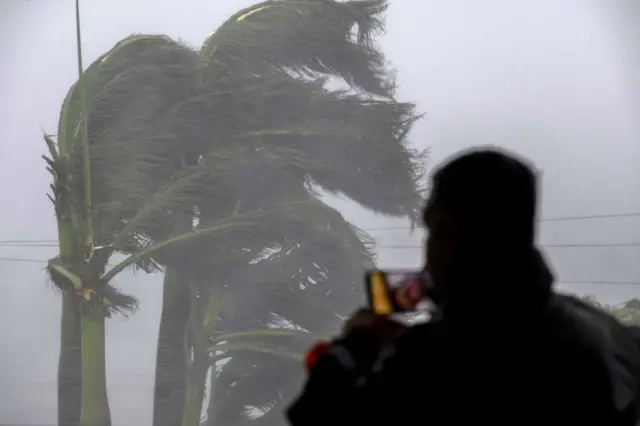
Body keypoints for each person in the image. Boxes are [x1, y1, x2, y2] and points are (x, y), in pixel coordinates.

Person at [287, 147, 640, 426]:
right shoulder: (600, 329)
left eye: (435, 228)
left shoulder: (429, 360)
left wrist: (350, 349)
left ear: (451, 236)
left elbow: (317, 416)